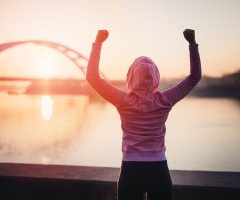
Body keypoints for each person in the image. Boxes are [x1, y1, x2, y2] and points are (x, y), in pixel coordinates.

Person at [86, 29, 201, 200]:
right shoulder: (164, 100)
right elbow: (194, 77)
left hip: (131, 170)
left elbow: (93, 77)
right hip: (158, 169)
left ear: (131, 76)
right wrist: (192, 44)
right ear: (156, 77)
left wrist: (98, 43)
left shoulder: (123, 100)